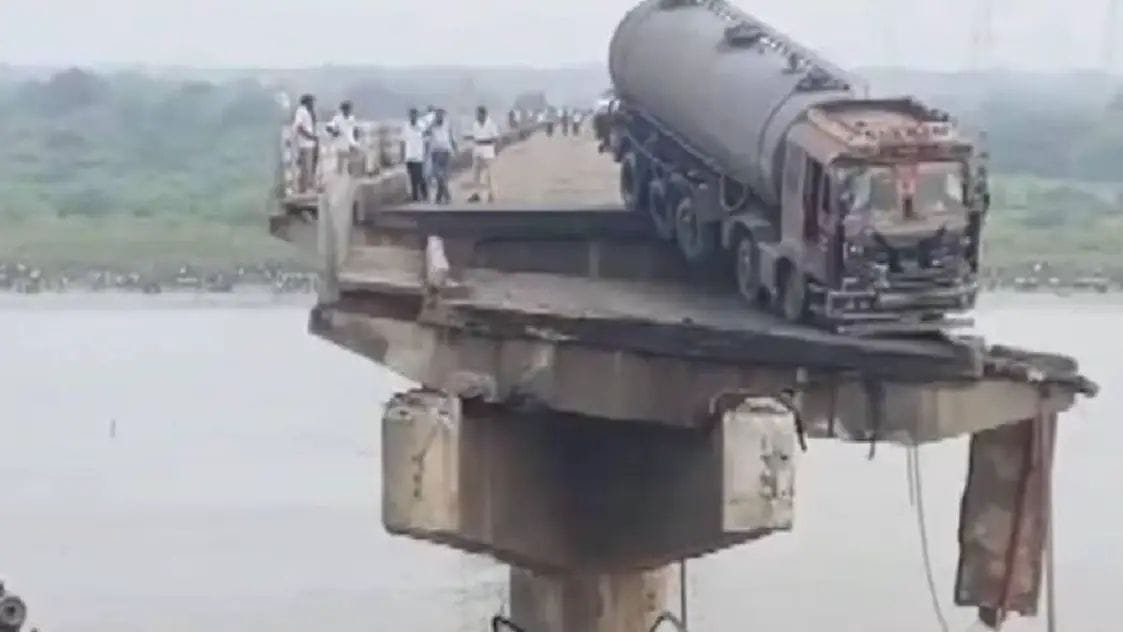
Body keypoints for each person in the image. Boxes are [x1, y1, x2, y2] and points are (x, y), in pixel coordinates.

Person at [469, 105, 500, 203]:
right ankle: (477, 194)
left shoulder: (491, 124)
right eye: (476, 114)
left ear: (483, 114)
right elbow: (474, 138)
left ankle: (492, 194)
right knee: (476, 174)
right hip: (477, 151)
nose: (477, 116)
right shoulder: (475, 124)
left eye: (478, 114)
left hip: (488, 151)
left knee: (490, 175)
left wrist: (495, 149)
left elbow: (496, 138)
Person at [427, 109, 457, 204]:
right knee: (438, 175)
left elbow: (452, 138)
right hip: (435, 153)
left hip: (446, 152)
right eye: (437, 115)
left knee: (444, 176)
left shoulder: (447, 125)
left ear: (443, 116)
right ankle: (446, 196)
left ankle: (439, 197)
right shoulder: (432, 126)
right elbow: (425, 134)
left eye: (441, 115)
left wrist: (456, 150)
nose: (439, 117)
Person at [291, 94, 318, 193]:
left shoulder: (308, 111)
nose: (313, 104)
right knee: (305, 168)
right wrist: (309, 136)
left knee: (309, 167)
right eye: (311, 102)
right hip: (304, 144)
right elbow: (299, 127)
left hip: (310, 144)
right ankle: (303, 190)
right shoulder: (301, 111)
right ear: (307, 102)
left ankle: (307, 188)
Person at [401, 108, 428, 202]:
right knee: (412, 177)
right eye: (411, 115)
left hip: (419, 155)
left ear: (417, 116)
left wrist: (425, 153)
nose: (413, 116)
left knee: (419, 176)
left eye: (414, 115)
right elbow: (403, 141)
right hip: (409, 155)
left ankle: (424, 194)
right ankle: (415, 197)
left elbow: (426, 139)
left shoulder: (422, 126)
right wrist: (402, 155)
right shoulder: (406, 126)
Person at [326, 100, 359, 176]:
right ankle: (340, 179)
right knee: (341, 166)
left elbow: (355, 130)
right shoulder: (337, 118)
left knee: (351, 165)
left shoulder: (352, 118)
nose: (347, 110)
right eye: (345, 108)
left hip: (351, 145)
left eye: (348, 108)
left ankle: (348, 179)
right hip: (341, 145)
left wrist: (355, 142)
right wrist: (334, 132)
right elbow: (328, 128)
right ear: (342, 109)